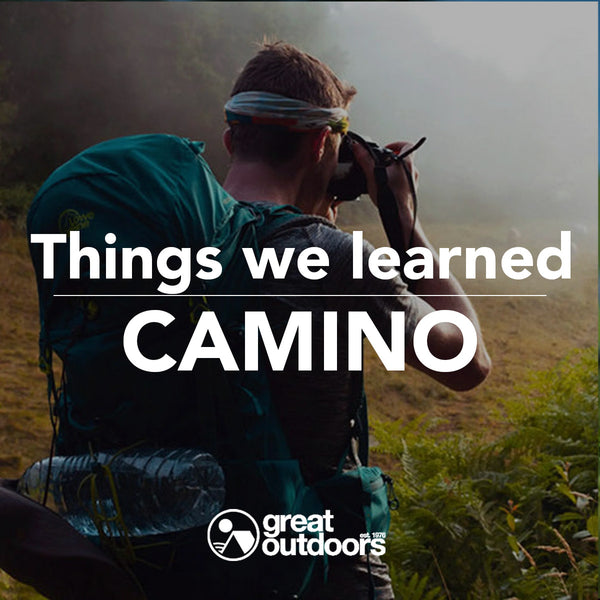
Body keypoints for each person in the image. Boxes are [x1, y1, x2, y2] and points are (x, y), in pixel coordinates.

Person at [218, 41, 491, 599]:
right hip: (315, 566)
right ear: (324, 141)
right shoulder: (336, 259)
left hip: (183, 553)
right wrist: (405, 220)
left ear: (229, 138)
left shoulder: (167, 239)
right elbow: (468, 362)